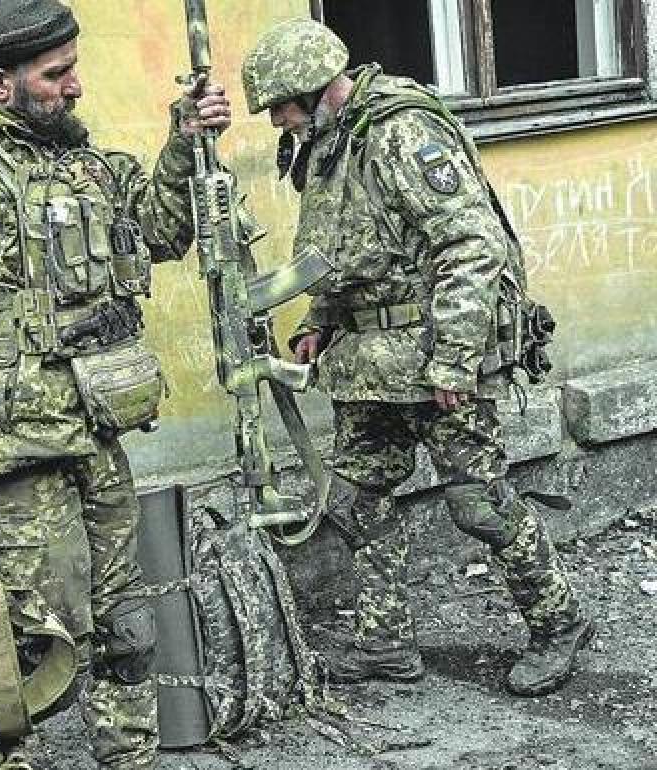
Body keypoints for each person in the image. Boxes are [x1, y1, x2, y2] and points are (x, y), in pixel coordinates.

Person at [0, 1, 232, 767]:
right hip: (5, 461)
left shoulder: (78, 163)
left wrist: (186, 143)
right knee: (24, 646)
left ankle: (128, 755)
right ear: (0, 84)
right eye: (57, 76)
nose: (75, 89)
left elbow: (160, 230)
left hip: (91, 436)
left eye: (74, 69)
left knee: (127, 623)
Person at [240, 18, 592, 697]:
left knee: (478, 504)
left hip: (434, 358)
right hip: (369, 362)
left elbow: (471, 245)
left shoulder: (402, 132)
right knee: (361, 500)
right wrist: (320, 321)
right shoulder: (328, 143)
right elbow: (339, 251)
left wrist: (457, 360)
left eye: (281, 104)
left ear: (314, 89)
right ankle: (385, 645)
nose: (276, 120)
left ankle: (561, 621)